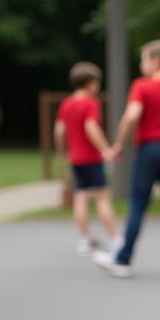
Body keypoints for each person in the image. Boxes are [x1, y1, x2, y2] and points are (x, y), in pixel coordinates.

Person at [94, 39, 160, 279]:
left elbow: (131, 116)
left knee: (138, 206)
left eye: (143, 60)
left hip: (149, 150)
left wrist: (119, 144)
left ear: (156, 61)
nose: (141, 65)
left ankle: (123, 261)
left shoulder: (142, 86)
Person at [54, 62, 120, 256]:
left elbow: (59, 130)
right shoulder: (91, 103)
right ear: (91, 83)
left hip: (75, 159)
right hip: (91, 158)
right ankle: (116, 237)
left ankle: (84, 238)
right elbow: (91, 127)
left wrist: (61, 151)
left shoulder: (67, 103)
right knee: (102, 198)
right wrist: (106, 149)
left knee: (80, 198)